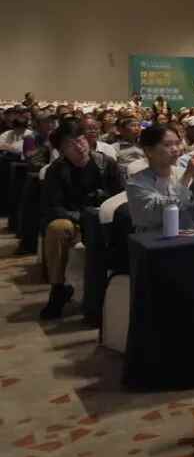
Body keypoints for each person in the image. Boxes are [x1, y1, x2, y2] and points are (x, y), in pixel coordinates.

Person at [39, 120, 124, 319]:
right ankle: (58, 288)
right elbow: (54, 207)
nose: (79, 147)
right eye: (71, 144)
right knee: (57, 228)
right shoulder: (56, 170)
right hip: (74, 221)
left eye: (81, 140)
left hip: (104, 219)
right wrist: (82, 218)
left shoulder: (106, 163)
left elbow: (121, 196)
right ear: (61, 150)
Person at [126, 123, 194, 232]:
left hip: (187, 235)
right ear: (149, 151)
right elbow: (164, 212)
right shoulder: (136, 183)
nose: (175, 149)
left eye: (178, 143)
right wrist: (186, 178)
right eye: (167, 145)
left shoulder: (182, 173)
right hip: (153, 238)